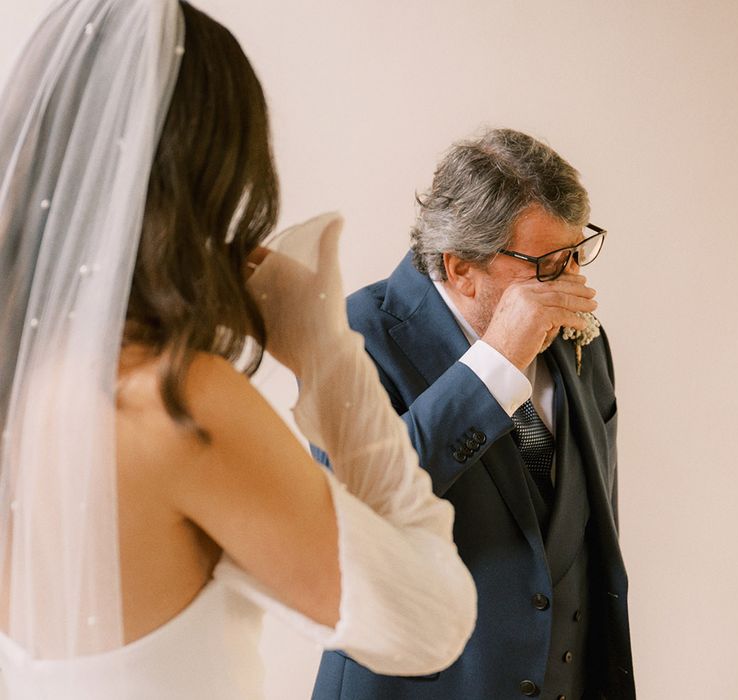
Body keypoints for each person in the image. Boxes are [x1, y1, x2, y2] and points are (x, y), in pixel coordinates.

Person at [0, 1, 477, 698]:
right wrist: (324, 350)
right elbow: (430, 623)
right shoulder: (173, 401)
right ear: (203, 179)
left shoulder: (23, 380)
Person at [311, 129, 636, 700]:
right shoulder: (350, 335)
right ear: (461, 267)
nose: (572, 281)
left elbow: (586, 529)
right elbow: (357, 506)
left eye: (575, 254)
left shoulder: (585, 339)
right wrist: (495, 364)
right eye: (545, 264)